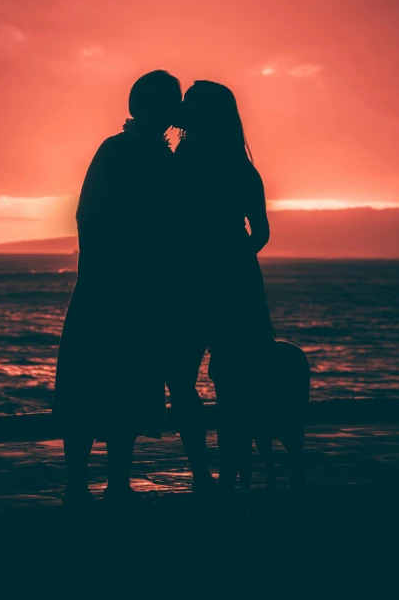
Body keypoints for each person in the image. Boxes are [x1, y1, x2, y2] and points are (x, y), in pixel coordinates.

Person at [53, 70, 182, 507]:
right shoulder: (115, 150)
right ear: (141, 105)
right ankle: (76, 482)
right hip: (105, 286)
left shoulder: (166, 161)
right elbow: (88, 216)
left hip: (142, 290)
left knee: (127, 382)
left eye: (172, 104)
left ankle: (117, 481)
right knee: (90, 381)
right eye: (162, 102)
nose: (167, 113)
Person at [174, 80, 288, 499]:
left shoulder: (185, 160)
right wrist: (234, 257)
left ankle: (210, 477)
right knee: (231, 383)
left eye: (189, 104)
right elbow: (260, 234)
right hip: (233, 284)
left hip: (198, 284)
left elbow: (259, 232)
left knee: (190, 378)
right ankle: (220, 478)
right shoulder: (241, 168)